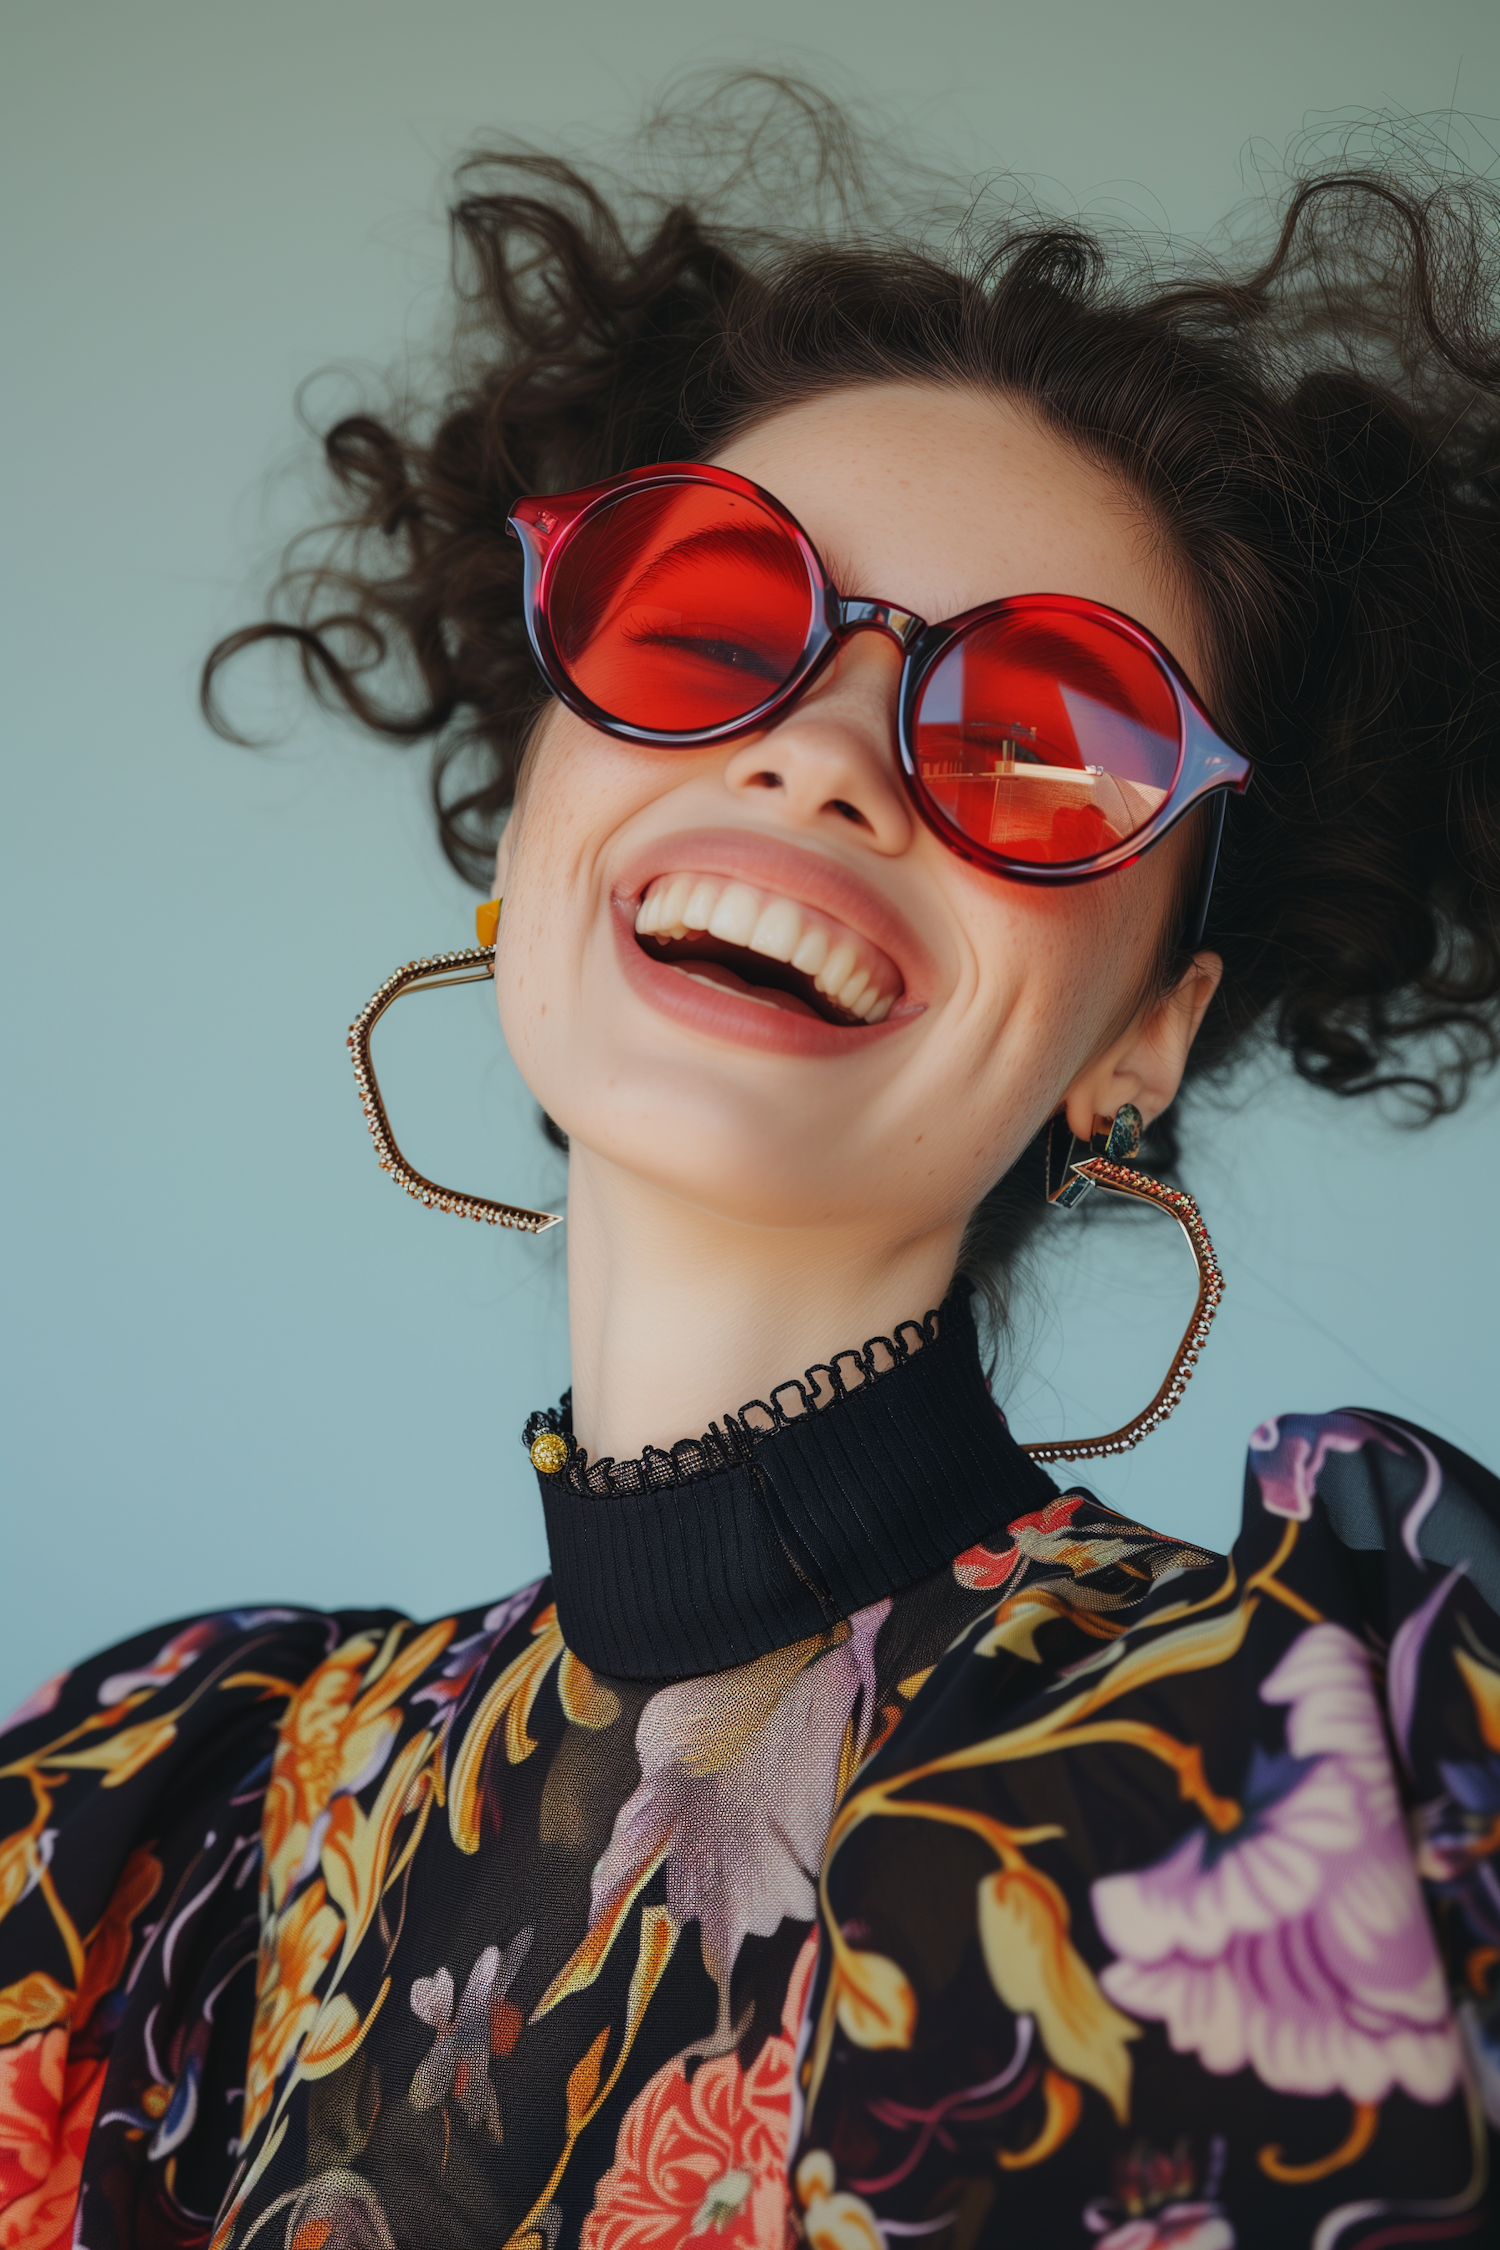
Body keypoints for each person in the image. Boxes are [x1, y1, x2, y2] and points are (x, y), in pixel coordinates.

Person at [4, 88, 1500, 2250]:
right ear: (529, 822)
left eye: (1042, 729)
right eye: (711, 627)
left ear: (1144, 1038)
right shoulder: (147, 1831)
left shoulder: (1341, 1759)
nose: (820, 751)